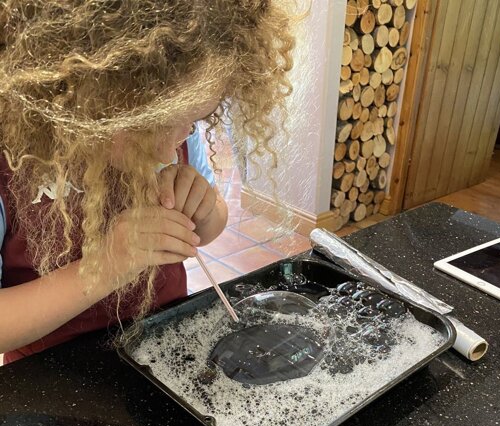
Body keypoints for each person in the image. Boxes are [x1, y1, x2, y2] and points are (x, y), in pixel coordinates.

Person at [0, 0, 295, 363]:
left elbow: (210, 223)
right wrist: (106, 267)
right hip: (51, 375)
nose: (169, 151)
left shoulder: (178, 126)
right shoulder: (10, 158)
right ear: (83, 97)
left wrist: (203, 214)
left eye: (195, 120)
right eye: (150, 126)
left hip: (164, 351)